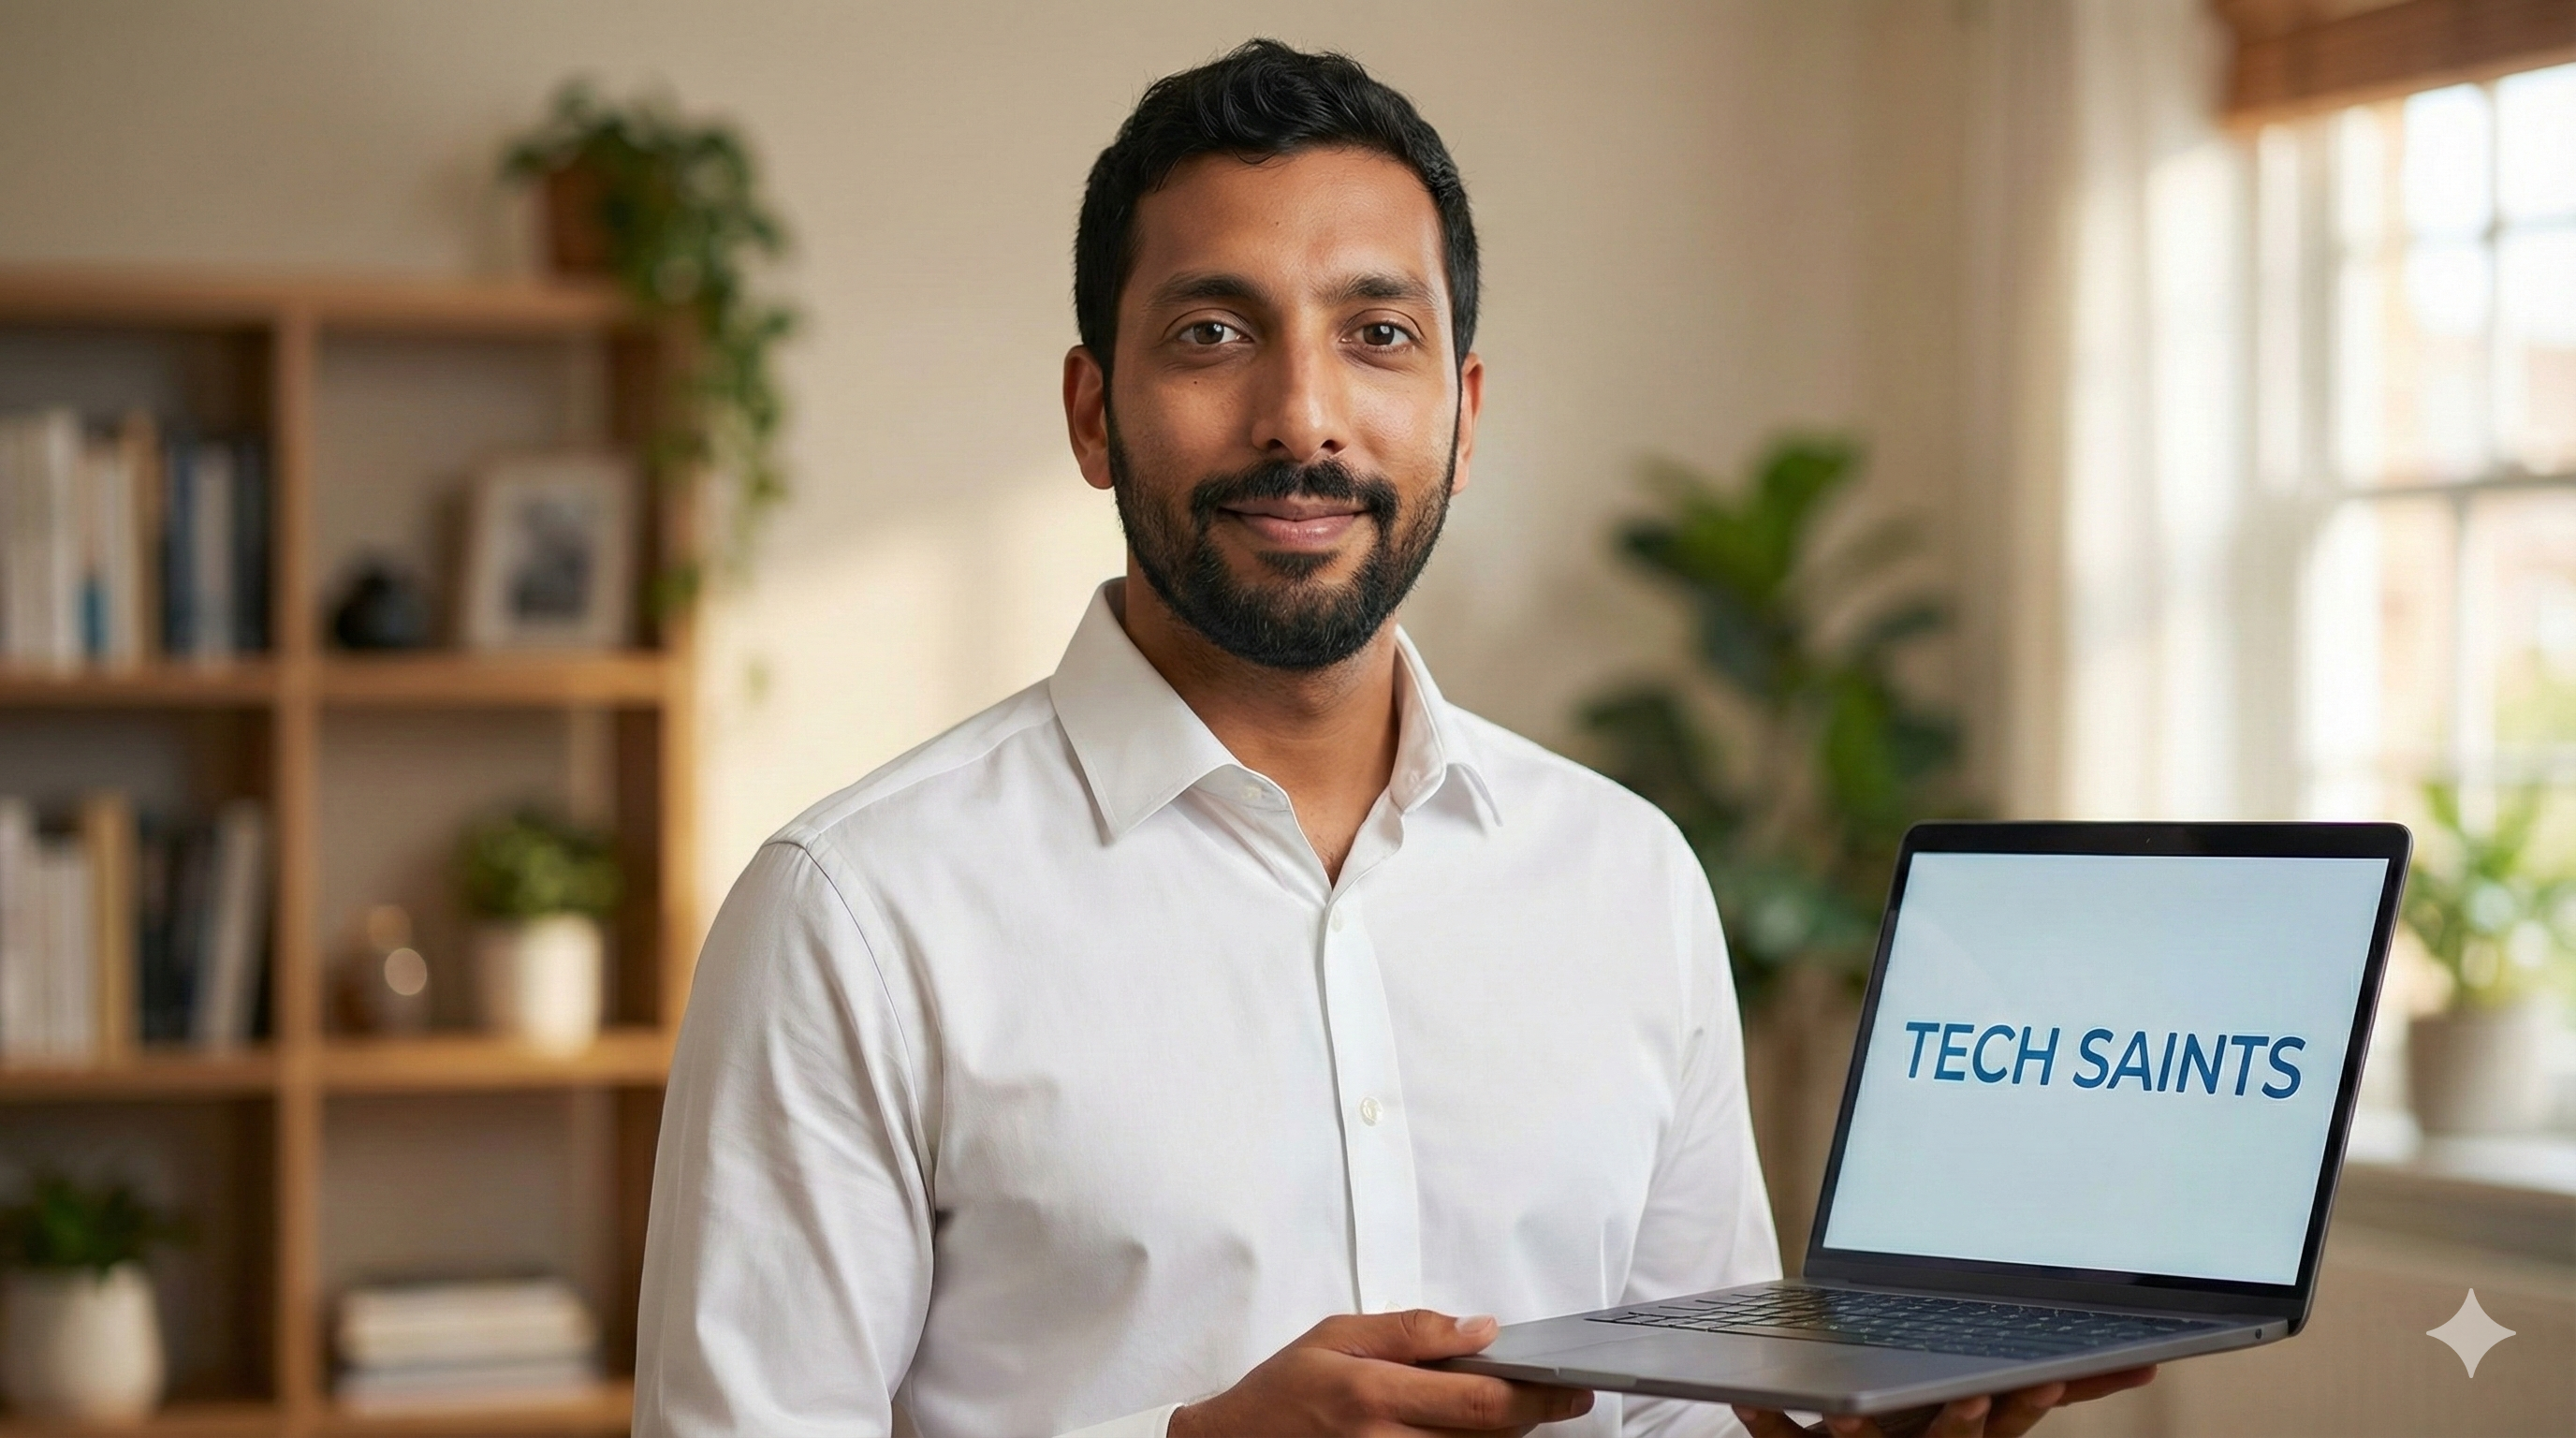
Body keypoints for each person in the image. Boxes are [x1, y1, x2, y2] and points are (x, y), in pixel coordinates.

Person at [633, 39, 2155, 1438]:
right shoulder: (855, 913)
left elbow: (1688, 1423)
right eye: (1214, 331)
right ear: (1095, 414)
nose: (1304, 417)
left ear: (1464, 413)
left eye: (1377, 333)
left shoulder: (1628, 880)